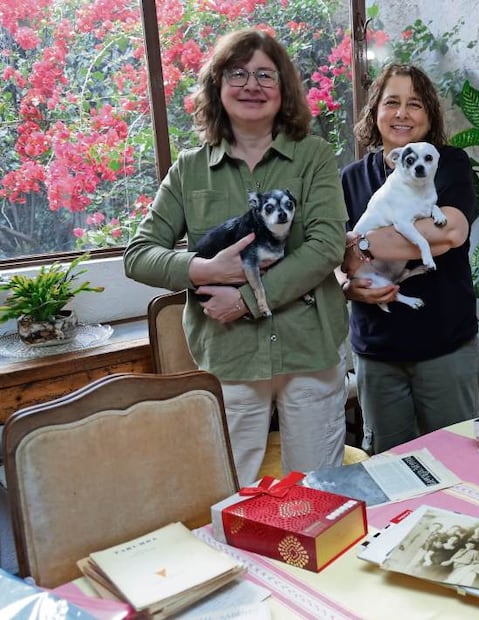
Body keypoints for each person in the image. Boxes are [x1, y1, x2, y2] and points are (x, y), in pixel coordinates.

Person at [124, 28, 349, 483]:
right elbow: (138, 255)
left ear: (283, 89)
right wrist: (203, 268)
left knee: (318, 492)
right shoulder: (189, 169)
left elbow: (326, 246)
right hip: (230, 356)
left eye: (265, 74)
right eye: (238, 73)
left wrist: (246, 299)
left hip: (309, 348)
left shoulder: (314, 157)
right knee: (232, 492)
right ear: (217, 87)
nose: (252, 85)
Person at [340, 63, 479, 453]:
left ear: (429, 115)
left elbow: (451, 232)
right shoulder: (351, 178)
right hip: (377, 352)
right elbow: (332, 257)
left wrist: (362, 245)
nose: (402, 113)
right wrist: (348, 286)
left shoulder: (449, 164)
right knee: (389, 470)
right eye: (392, 103)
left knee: (459, 462)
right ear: (375, 113)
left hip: (445, 346)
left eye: (414, 104)